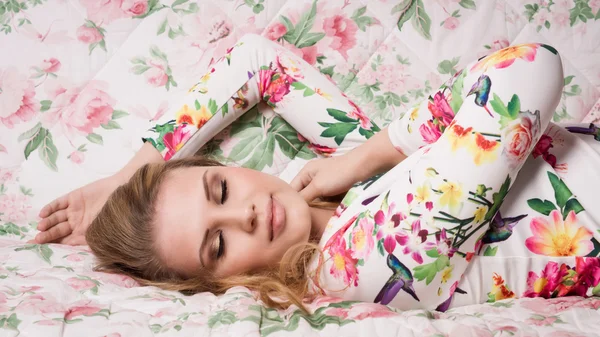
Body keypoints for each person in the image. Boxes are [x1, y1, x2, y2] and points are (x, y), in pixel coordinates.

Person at [32, 34, 600, 312]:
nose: (247, 214)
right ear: (221, 285)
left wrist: (130, 174)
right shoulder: (363, 262)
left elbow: (260, 61)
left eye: (221, 188)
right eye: (217, 243)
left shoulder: (332, 199)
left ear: (229, 167)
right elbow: (527, 69)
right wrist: (367, 155)